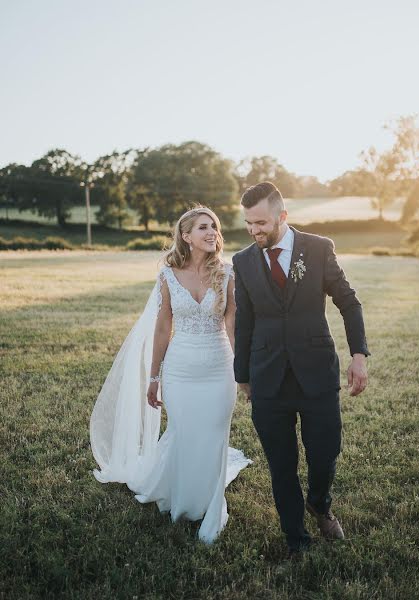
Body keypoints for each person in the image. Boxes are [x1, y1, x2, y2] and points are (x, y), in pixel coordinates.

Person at [90, 207, 251, 543]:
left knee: (214, 432)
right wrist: (154, 377)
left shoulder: (228, 272)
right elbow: (163, 328)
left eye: (215, 227)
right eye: (203, 227)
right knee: (183, 430)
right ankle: (181, 493)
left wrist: (242, 372)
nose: (212, 233)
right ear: (186, 236)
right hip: (180, 369)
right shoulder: (168, 275)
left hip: (219, 367)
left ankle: (209, 502)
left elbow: (232, 324)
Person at [232, 182, 369, 557]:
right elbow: (244, 322)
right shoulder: (242, 261)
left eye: (261, 222)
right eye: (248, 223)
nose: (255, 230)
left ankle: (320, 504)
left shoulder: (318, 249)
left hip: (316, 373)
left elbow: (349, 303)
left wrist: (359, 355)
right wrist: (242, 375)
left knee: (325, 452)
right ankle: (296, 537)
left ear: (282, 216)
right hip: (267, 376)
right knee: (281, 463)